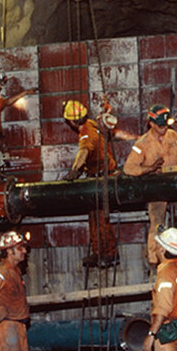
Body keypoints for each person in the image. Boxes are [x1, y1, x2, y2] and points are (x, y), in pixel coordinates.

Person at [122, 104, 177, 267]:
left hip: (176, 185)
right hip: (156, 189)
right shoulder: (142, 143)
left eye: (165, 125)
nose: (163, 128)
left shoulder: (174, 136)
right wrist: (149, 169)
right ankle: (155, 260)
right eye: (160, 125)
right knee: (157, 222)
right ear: (152, 124)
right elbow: (129, 168)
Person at [62, 99, 118, 267]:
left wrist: (75, 170)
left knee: (101, 218)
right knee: (94, 217)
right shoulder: (91, 124)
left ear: (71, 121)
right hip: (97, 176)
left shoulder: (86, 132)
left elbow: (84, 151)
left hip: (103, 177)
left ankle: (110, 254)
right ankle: (98, 252)